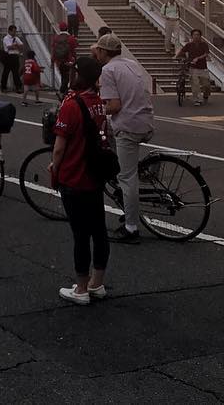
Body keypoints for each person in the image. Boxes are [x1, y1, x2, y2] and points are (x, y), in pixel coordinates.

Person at [50, 56, 110, 306]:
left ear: (79, 75)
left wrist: (55, 170)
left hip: (74, 174)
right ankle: (97, 283)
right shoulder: (98, 102)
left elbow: (59, 148)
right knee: (99, 230)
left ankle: (81, 288)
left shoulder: (71, 104)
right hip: (95, 175)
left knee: (80, 234)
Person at [93, 33, 154, 244]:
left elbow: (114, 106)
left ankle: (131, 227)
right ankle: (128, 203)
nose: (96, 54)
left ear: (103, 52)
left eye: (98, 50)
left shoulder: (108, 70)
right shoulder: (130, 63)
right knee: (117, 152)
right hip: (144, 119)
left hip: (128, 125)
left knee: (127, 178)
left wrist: (95, 110)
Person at [177, 28, 211, 106]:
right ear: (192, 36)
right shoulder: (189, 45)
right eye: (194, 35)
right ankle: (197, 99)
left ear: (200, 36)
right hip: (193, 67)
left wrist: (198, 58)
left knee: (206, 85)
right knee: (195, 84)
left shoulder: (204, 44)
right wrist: (176, 56)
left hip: (203, 67)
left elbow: (206, 53)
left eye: (198, 35)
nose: (196, 36)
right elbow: (182, 51)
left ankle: (206, 95)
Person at [50, 21, 78, 96]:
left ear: (59, 28)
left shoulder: (56, 38)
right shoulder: (70, 38)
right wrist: (75, 59)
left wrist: (52, 60)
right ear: (67, 28)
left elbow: (53, 50)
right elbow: (74, 49)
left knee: (63, 76)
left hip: (59, 61)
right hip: (69, 60)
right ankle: (64, 91)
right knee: (69, 77)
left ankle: (64, 91)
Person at [0, 26, 24, 93]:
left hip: (15, 56)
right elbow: (9, 47)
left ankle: (18, 87)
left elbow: (21, 45)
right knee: (6, 72)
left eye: (15, 31)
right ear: (9, 31)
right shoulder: (6, 38)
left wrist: (15, 46)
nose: (15, 33)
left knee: (16, 72)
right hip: (8, 56)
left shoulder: (16, 38)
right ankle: (3, 87)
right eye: (13, 31)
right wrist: (16, 46)